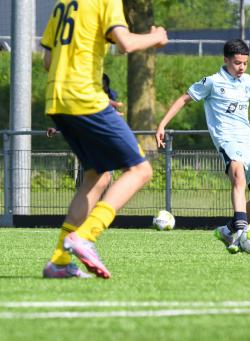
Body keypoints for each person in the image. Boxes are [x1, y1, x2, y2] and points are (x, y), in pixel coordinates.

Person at [41, 0, 168, 279]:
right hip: (84, 98)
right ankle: (86, 235)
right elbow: (125, 43)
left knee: (97, 177)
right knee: (140, 169)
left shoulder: (63, 4)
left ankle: (59, 262)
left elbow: (48, 61)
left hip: (56, 100)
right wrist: (156, 37)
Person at [156, 39, 250, 253]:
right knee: (238, 174)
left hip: (249, 143)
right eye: (237, 63)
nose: (242, 67)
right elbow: (184, 99)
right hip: (227, 140)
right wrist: (162, 124)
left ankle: (227, 230)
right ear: (226, 60)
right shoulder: (212, 82)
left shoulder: (247, 81)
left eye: (245, 63)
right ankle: (241, 232)